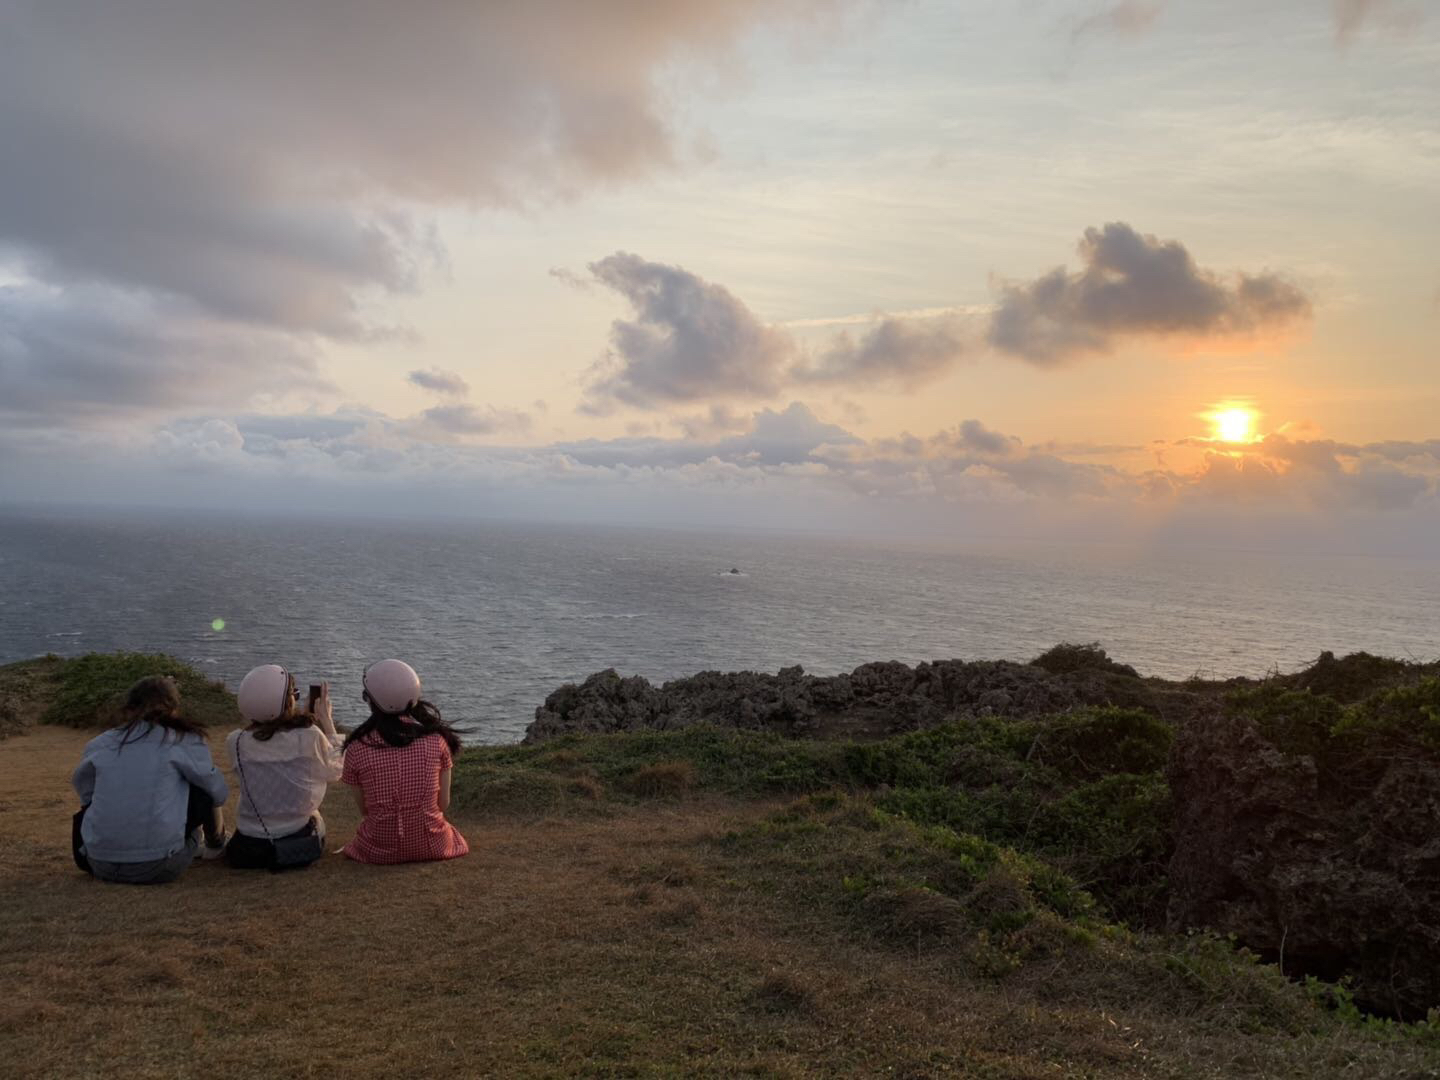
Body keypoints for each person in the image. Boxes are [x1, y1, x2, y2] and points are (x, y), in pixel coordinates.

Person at [71, 675, 230, 884]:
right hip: (158, 867)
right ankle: (216, 845)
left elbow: (86, 794)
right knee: (203, 789)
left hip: (97, 862)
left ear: (129, 708)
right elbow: (217, 792)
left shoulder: (100, 743)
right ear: (174, 708)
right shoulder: (183, 739)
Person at [340, 659, 468, 865]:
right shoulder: (437, 741)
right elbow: (443, 804)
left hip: (379, 850)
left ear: (372, 701)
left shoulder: (357, 748)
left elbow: (365, 810)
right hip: (434, 845)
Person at [224, 664, 342, 871]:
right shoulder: (308, 735)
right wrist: (327, 721)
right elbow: (336, 771)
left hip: (248, 844)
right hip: (297, 837)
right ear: (289, 701)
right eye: (293, 695)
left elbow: (270, 738)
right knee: (314, 813)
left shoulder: (236, 741)